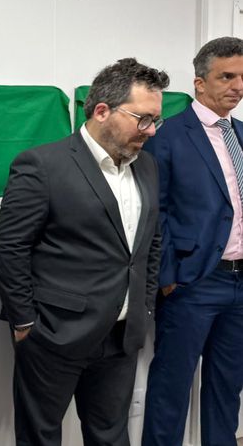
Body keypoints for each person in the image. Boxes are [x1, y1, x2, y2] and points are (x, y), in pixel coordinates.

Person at [0, 58, 168, 446]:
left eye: (156, 120)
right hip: (54, 334)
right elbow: (11, 246)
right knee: (40, 438)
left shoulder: (147, 166)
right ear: (102, 110)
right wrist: (24, 321)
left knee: (111, 437)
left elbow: (150, 242)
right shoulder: (42, 164)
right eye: (143, 119)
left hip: (122, 337)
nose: (152, 130)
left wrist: (144, 307)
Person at [142, 37, 243, 446]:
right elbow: (156, 211)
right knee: (171, 387)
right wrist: (169, 278)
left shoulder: (241, 133)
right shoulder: (168, 136)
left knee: (227, 388)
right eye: (227, 76)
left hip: (239, 284)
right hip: (192, 283)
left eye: (242, 77)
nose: (238, 86)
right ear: (200, 83)